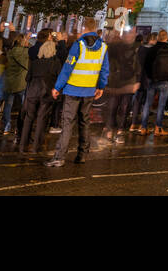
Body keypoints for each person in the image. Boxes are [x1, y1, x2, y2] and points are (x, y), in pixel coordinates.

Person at [46, 18, 109, 167]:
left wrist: (57, 87)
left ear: (84, 28)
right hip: (89, 92)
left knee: (67, 123)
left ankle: (59, 157)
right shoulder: (103, 48)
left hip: (73, 89)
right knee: (84, 122)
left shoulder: (78, 45)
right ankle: (82, 155)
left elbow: (67, 69)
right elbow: (104, 70)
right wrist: (101, 86)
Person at [19, 30, 62, 154]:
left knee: (29, 118)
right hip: (46, 93)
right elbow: (59, 79)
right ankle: (36, 146)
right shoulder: (55, 63)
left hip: (33, 91)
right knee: (42, 119)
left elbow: (28, 78)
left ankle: (23, 145)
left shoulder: (35, 62)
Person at [138, 30, 168, 135]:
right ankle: (158, 128)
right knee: (161, 105)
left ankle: (143, 127)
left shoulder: (153, 49)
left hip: (152, 80)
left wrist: (150, 77)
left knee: (147, 103)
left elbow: (146, 64)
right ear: (167, 38)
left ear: (158, 37)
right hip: (165, 81)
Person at [0, 32, 29, 135]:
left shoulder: (9, 52)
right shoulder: (25, 53)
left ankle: (6, 127)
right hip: (21, 83)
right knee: (23, 105)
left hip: (9, 82)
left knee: (8, 105)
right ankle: (20, 127)